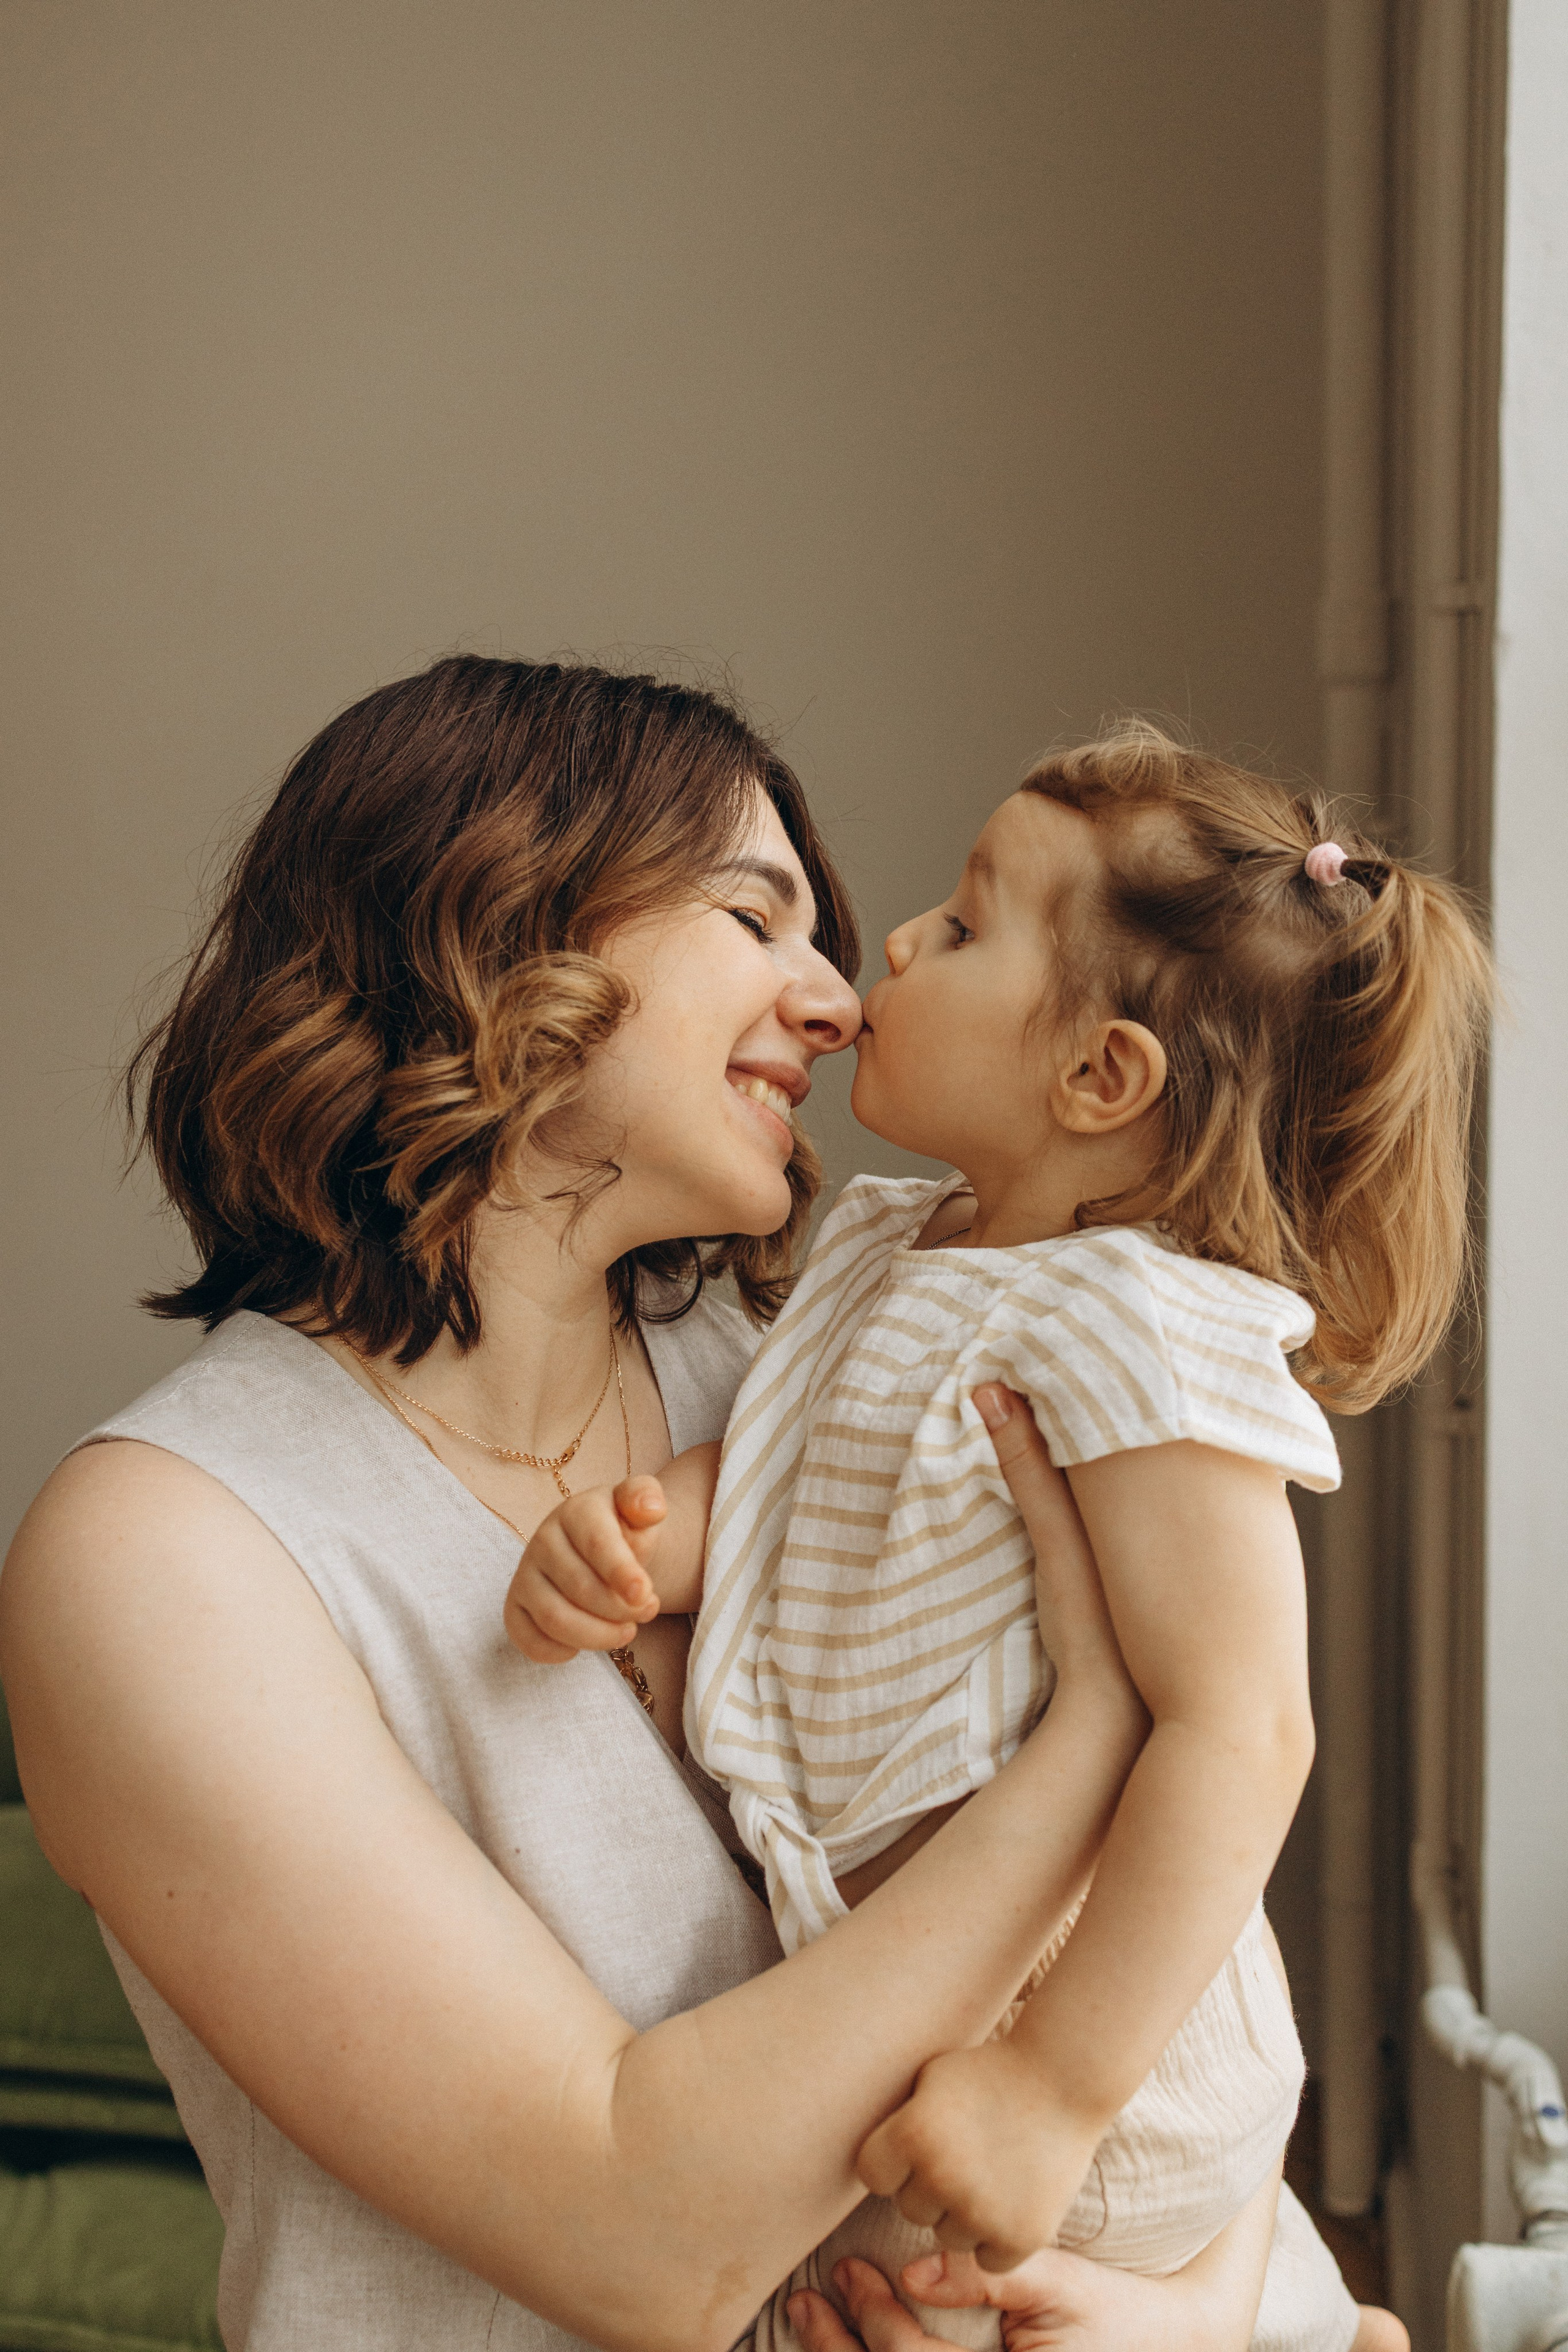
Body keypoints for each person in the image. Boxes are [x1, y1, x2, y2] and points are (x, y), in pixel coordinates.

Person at [0, 661, 1306, 2352]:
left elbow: (1180, 1999)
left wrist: (1195, 2316)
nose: (839, 1001)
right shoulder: (170, 1554)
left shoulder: (813, 1378)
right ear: (494, 922)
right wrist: (1101, 1731)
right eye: (759, 918)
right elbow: (637, 2240)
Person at [509, 724, 1480, 2349]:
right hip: (925, 1990)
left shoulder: (1138, 1327)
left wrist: (1051, 2089)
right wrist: (645, 1536)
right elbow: (796, 1464)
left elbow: (1245, 1726)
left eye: (962, 929)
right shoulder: (896, 1246)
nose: (889, 943)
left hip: (1098, 2063)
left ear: (1100, 1076)